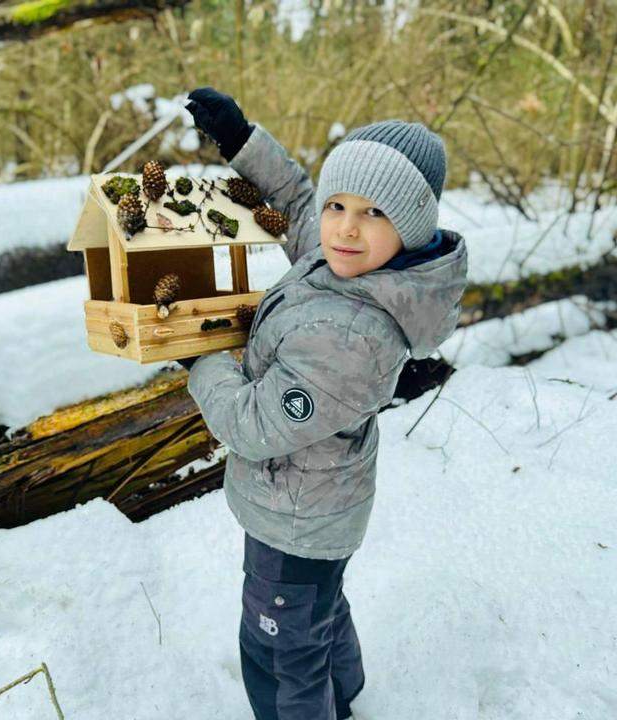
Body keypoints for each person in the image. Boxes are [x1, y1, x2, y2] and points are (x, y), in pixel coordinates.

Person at [180, 87, 468, 720]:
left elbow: (253, 425)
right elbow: (294, 200)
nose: (344, 225)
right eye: (340, 205)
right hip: (313, 509)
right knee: (317, 609)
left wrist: (198, 362)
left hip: (297, 519)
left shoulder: (353, 335)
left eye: (373, 213)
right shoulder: (344, 257)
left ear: (411, 227)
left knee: (280, 648)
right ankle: (350, 696)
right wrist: (240, 140)